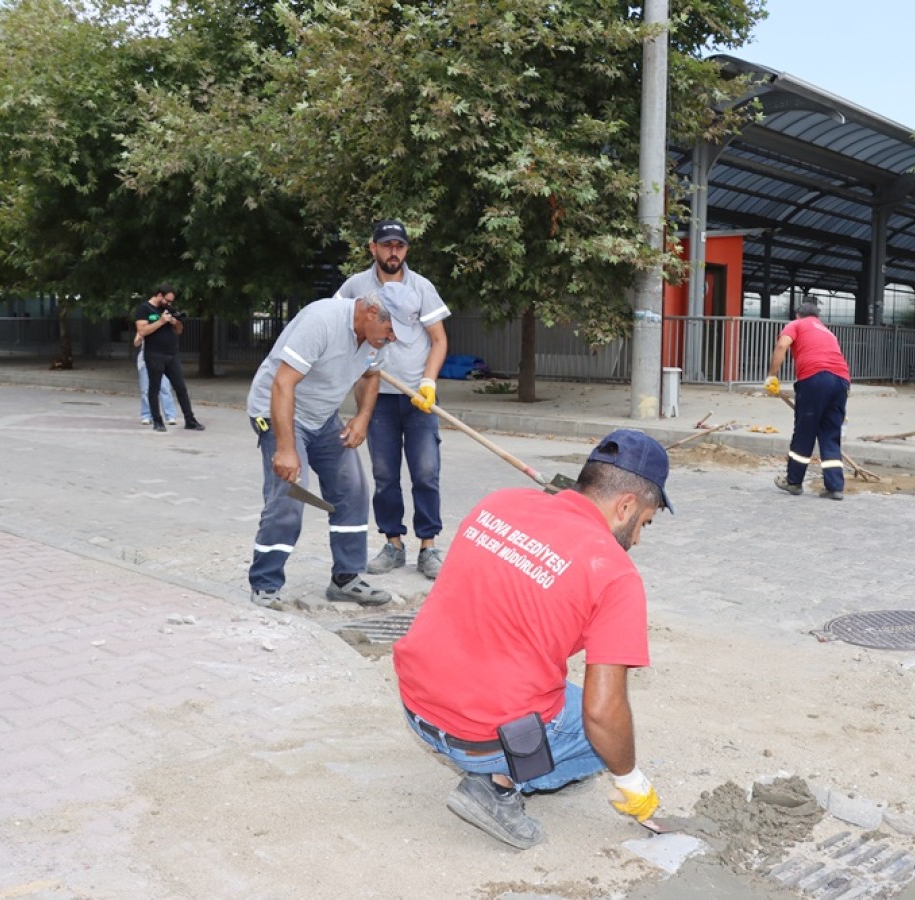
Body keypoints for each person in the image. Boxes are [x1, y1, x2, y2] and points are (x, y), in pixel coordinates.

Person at [393, 429, 672, 849]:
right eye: (644, 523)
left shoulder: (500, 503)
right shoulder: (614, 573)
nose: (637, 540)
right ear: (626, 505)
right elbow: (602, 713)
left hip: (416, 704)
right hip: (475, 736)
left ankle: (510, 764)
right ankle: (497, 785)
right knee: (609, 735)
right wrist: (632, 782)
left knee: (577, 704)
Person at [245, 285, 412, 609]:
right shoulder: (321, 321)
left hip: (322, 417)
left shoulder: (377, 339)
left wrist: (362, 418)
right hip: (277, 412)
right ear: (370, 312)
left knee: (353, 489)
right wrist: (286, 448)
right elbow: (282, 383)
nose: (393, 338)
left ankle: (346, 579)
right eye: (391, 329)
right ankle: (265, 583)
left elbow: (371, 375)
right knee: (291, 493)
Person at [337, 219, 451, 581]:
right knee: (384, 475)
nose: (393, 252)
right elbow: (340, 328)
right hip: (377, 398)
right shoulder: (355, 287)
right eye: (386, 245)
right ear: (373, 248)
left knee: (426, 472)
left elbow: (439, 340)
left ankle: (428, 546)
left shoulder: (421, 287)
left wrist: (428, 382)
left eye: (399, 246)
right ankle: (393, 544)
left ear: (406, 249)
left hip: (418, 398)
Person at [765, 299, 852, 500]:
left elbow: (782, 346)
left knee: (805, 431)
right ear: (817, 317)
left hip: (815, 378)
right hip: (841, 381)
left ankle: (794, 482)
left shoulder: (796, 324)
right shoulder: (828, 332)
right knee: (830, 433)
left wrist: (772, 376)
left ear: (798, 315)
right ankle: (835, 487)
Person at [133, 284, 205, 433]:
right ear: (159, 295)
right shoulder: (144, 309)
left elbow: (179, 330)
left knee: (181, 388)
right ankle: (157, 421)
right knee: (154, 388)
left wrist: (175, 322)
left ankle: (190, 420)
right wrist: (161, 321)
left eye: (171, 301)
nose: (169, 303)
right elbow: (142, 330)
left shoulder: (167, 309)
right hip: (154, 354)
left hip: (171, 354)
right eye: (167, 300)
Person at [133, 332, 177, 425]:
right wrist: (140, 338)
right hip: (146, 361)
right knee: (145, 389)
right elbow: (136, 343)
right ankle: (146, 415)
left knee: (164, 388)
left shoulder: (165, 329)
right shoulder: (144, 328)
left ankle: (170, 415)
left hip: (162, 359)